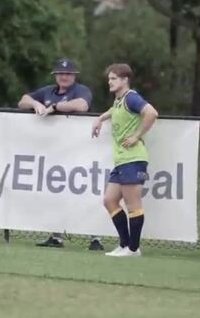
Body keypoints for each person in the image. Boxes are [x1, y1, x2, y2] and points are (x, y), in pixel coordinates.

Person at [18, 58, 104, 251]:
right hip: (54, 152)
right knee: (56, 193)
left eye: (68, 73)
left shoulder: (81, 91)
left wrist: (55, 107)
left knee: (84, 193)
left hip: (79, 150)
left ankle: (95, 237)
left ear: (74, 76)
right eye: (60, 73)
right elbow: (22, 100)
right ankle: (56, 237)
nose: (64, 77)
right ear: (55, 75)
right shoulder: (48, 91)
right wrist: (35, 104)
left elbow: (82, 106)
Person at [91, 63, 158, 257]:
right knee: (110, 200)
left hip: (134, 158)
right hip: (121, 160)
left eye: (113, 78)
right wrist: (100, 119)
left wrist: (137, 135)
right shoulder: (119, 100)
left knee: (133, 204)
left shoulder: (132, 98)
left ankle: (133, 248)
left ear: (125, 80)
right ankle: (124, 244)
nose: (109, 82)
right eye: (109, 79)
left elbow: (151, 113)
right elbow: (113, 111)